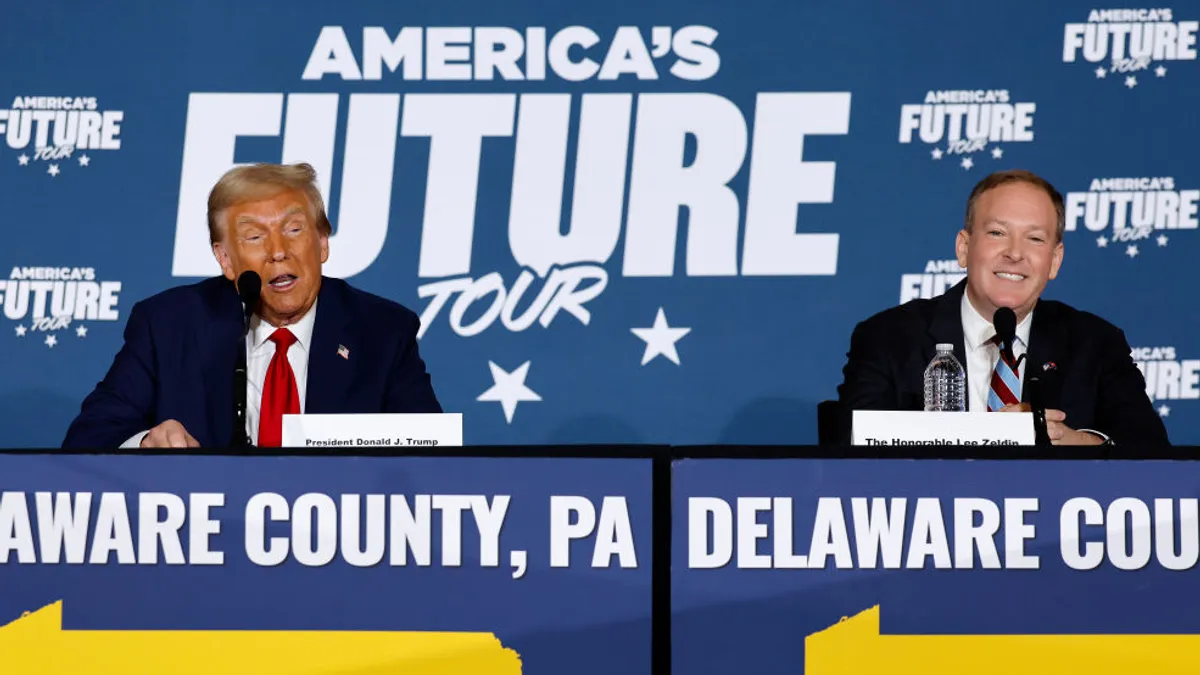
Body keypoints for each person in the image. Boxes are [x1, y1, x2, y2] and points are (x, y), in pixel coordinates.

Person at [62, 162, 442, 449]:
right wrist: (146, 443)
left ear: (322, 242)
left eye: (294, 230)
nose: (278, 252)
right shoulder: (169, 325)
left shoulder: (382, 332)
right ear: (225, 259)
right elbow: (89, 438)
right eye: (255, 236)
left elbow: (434, 459)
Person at [835, 169, 1169, 446]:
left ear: (1054, 261)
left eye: (1035, 239)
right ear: (964, 248)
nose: (1014, 253)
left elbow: (1151, 449)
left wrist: (1071, 442)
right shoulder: (888, 338)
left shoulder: (1096, 343)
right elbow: (849, 452)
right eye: (997, 233)